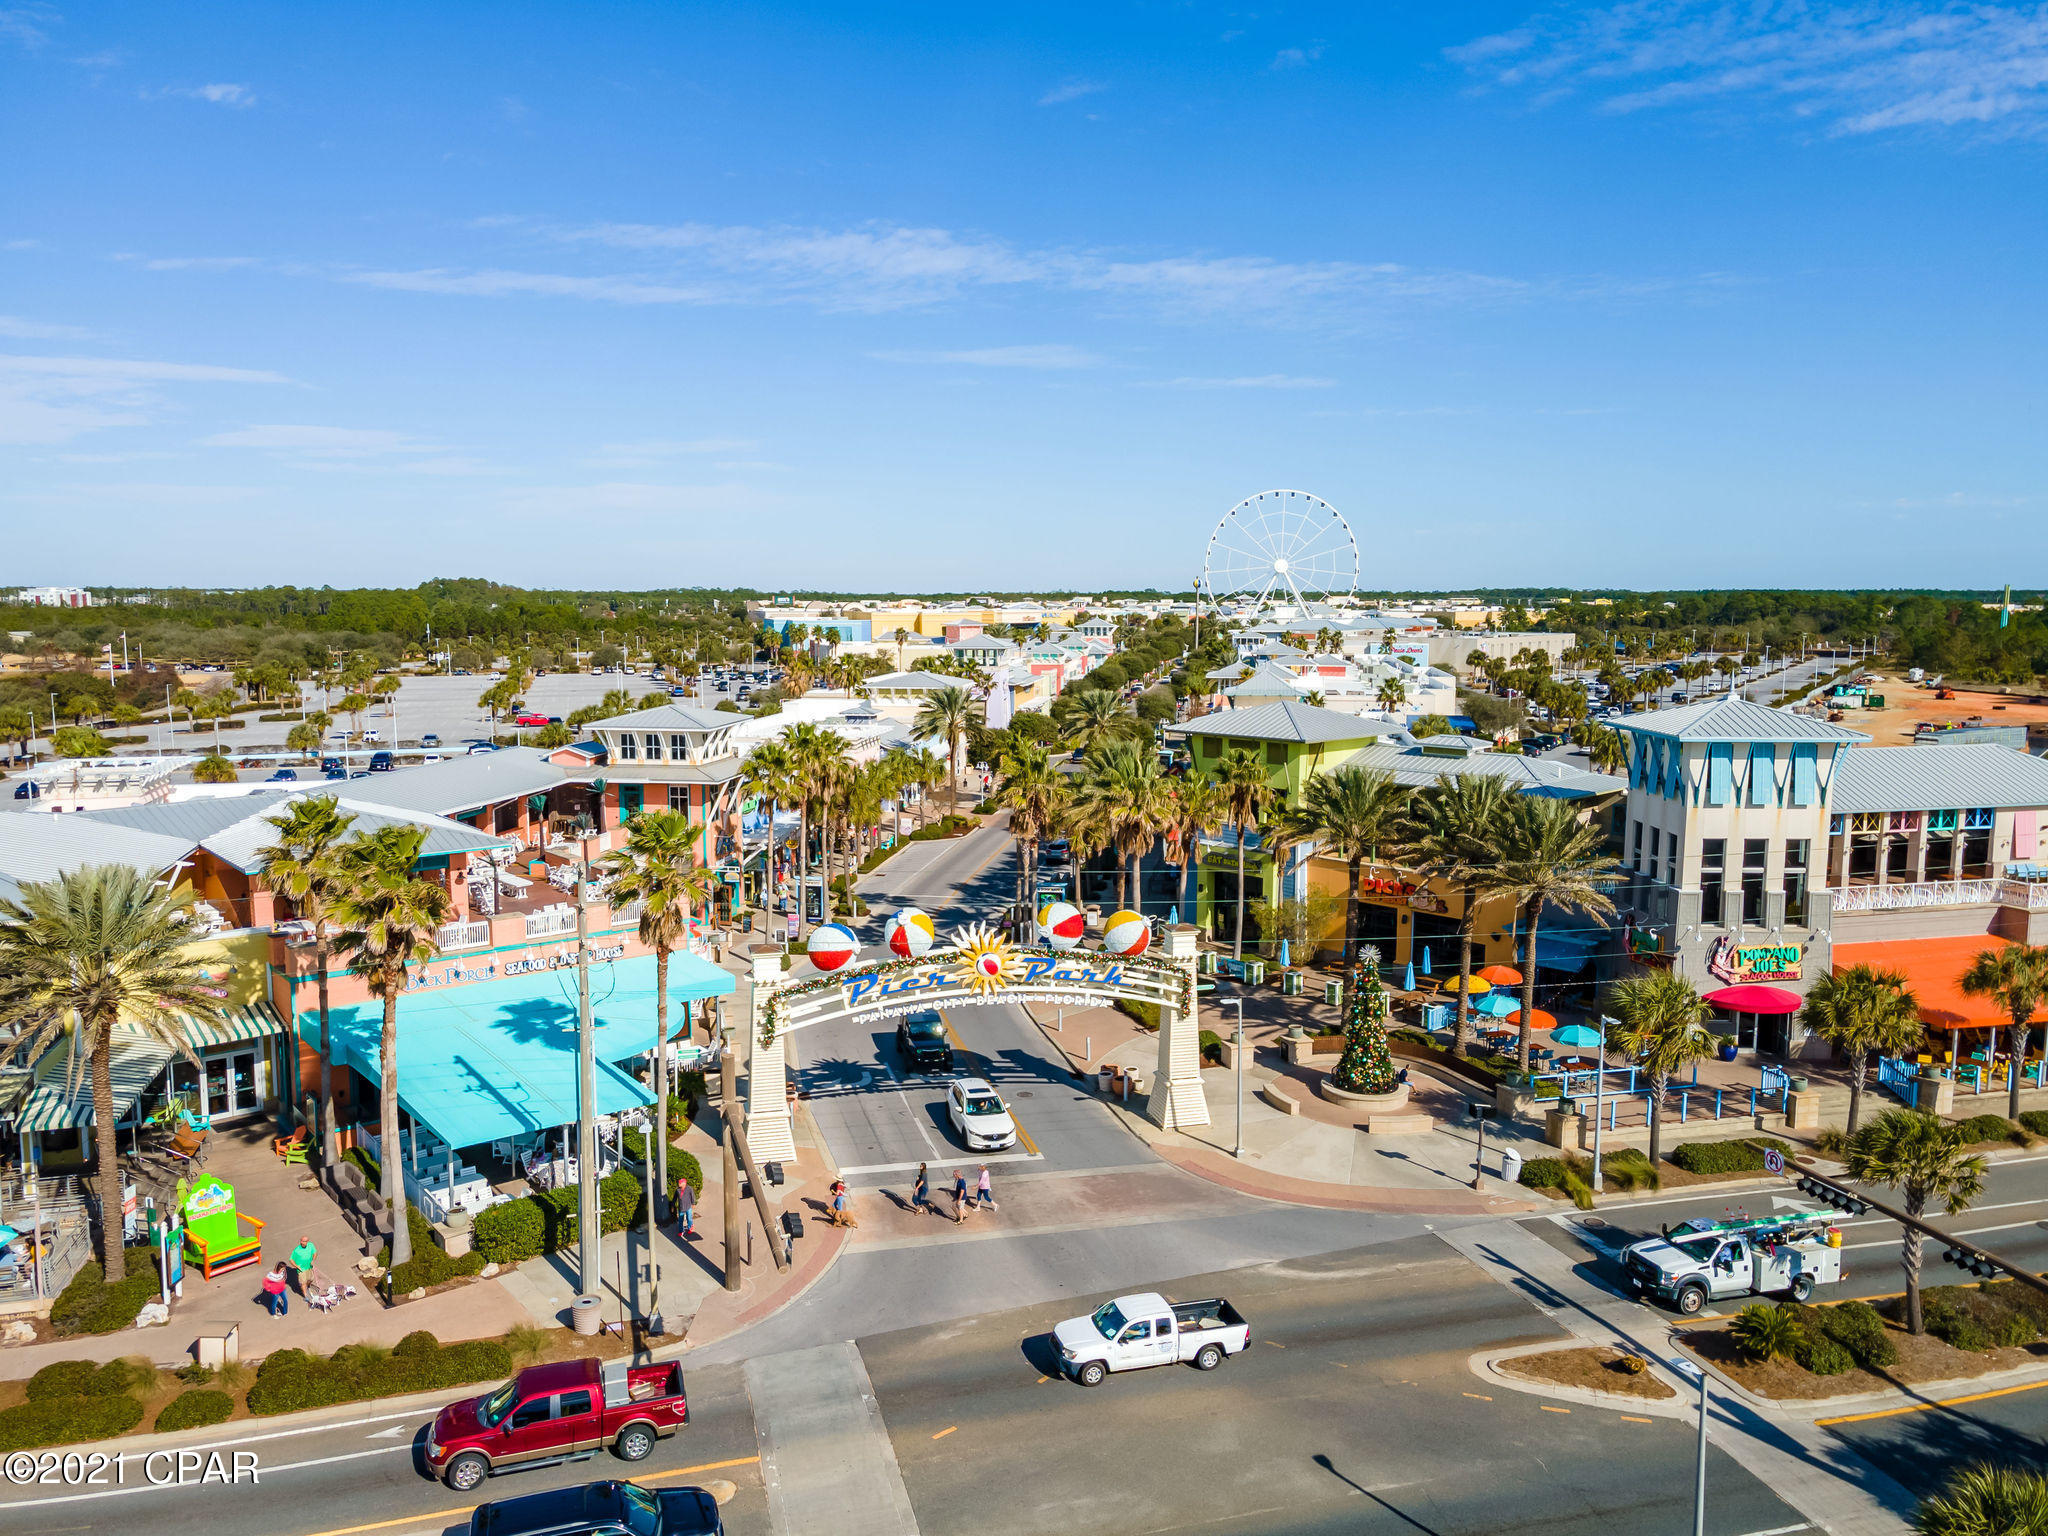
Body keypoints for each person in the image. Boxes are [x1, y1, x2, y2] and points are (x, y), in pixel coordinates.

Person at [675, 1174, 697, 1240]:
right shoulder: (677, 1190)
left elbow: (692, 1196)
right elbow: (674, 1198)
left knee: (689, 1218)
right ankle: (681, 1231)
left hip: (688, 1207)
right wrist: (673, 1205)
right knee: (680, 1220)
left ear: (684, 1183)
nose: (679, 1184)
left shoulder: (689, 1188)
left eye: (680, 1183)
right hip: (681, 1207)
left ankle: (690, 1227)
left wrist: (693, 1203)